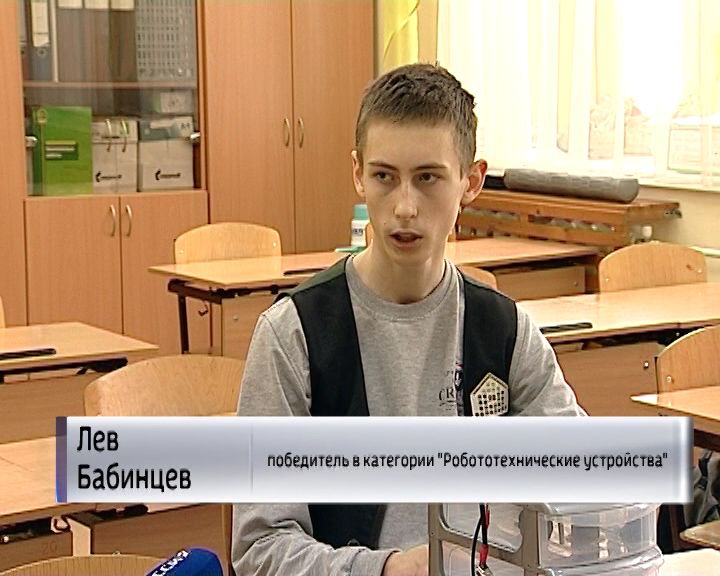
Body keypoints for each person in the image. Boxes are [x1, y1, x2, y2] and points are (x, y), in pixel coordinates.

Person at [233, 63, 584, 576]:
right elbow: (260, 548)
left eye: (427, 178)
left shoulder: (505, 331)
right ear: (358, 174)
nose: (403, 207)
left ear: (471, 181)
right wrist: (389, 569)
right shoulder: (293, 334)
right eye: (384, 177)